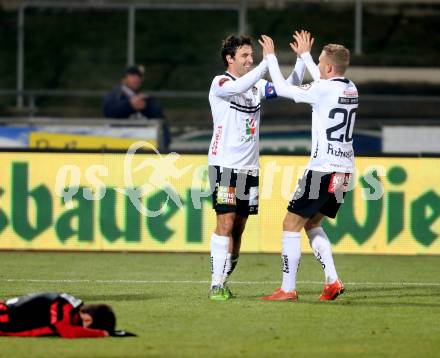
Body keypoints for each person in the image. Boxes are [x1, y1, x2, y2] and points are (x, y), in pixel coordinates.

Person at [258, 31, 358, 301]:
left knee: (291, 223)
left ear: (327, 67)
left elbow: (280, 87)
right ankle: (332, 281)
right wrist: (304, 55)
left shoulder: (323, 88)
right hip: (344, 171)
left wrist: (270, 57)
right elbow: (322, 77)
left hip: (323, 170)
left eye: (320, 64)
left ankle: (288, 289)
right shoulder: (350, 87)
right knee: (312, 222)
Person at [207, 34, 308, 301]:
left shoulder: (256, 86)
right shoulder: (221, 83)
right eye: (244, 56)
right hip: (224, 165)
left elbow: (289, 87)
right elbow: (239, 85)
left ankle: (224, 280)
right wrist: (267, 62)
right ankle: (215, 284)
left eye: (252, 55)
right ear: (230, 59)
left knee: (239, 227)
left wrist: (299, 60)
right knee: (225, 222)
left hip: (250, 169)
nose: (250, 60)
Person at [0, 292, 134, 338]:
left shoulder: (68, 305)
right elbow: (66, 331)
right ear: (88, 319)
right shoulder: (63, 305)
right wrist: (103, 333)